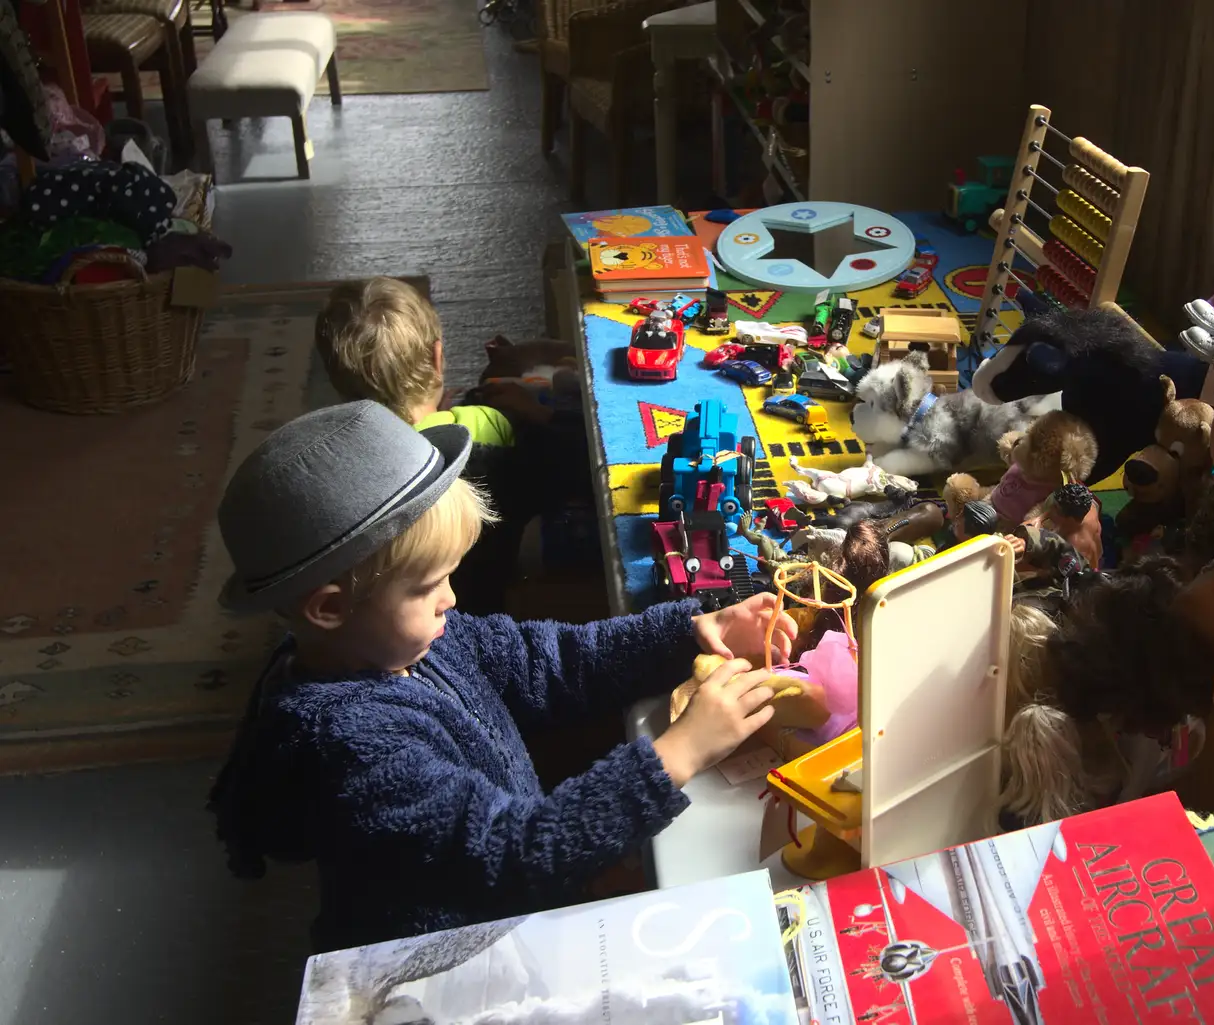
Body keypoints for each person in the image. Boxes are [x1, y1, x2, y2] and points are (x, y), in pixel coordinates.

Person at [207, 401, 798, 952]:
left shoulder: (404, 640)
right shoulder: (350, 746)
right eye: (427, 586)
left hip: (513, 899)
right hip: (451, 955)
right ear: (330, 609)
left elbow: (558, 662)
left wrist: (692, 629)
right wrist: (680, 752)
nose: (451, 599)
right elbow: (519, 852)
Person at [314, 277, 581, 614]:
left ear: (336, 378)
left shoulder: (335, 463)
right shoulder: (489, 427)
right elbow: (568, 459)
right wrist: (538, 413)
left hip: (384, 617)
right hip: (485, 603)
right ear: (437, 356)